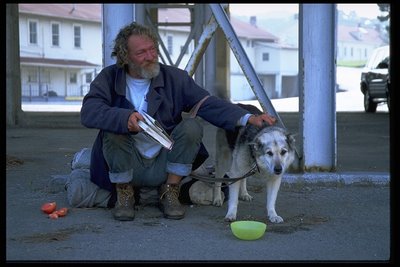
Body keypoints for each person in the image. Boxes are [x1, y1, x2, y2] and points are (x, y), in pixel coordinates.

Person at [80, 22, 276, 221]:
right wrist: (124, 118)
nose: (150, 56)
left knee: (191, 126)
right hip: (128, 164)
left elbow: (207, 103)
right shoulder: (108, 77)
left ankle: (170, 191)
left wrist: (247, 117)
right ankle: (124, 193)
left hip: (164, 164)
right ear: (125, 57)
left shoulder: (174, 77)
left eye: (153, 49)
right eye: (141, 53)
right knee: (114, 129)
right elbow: (89, 111)